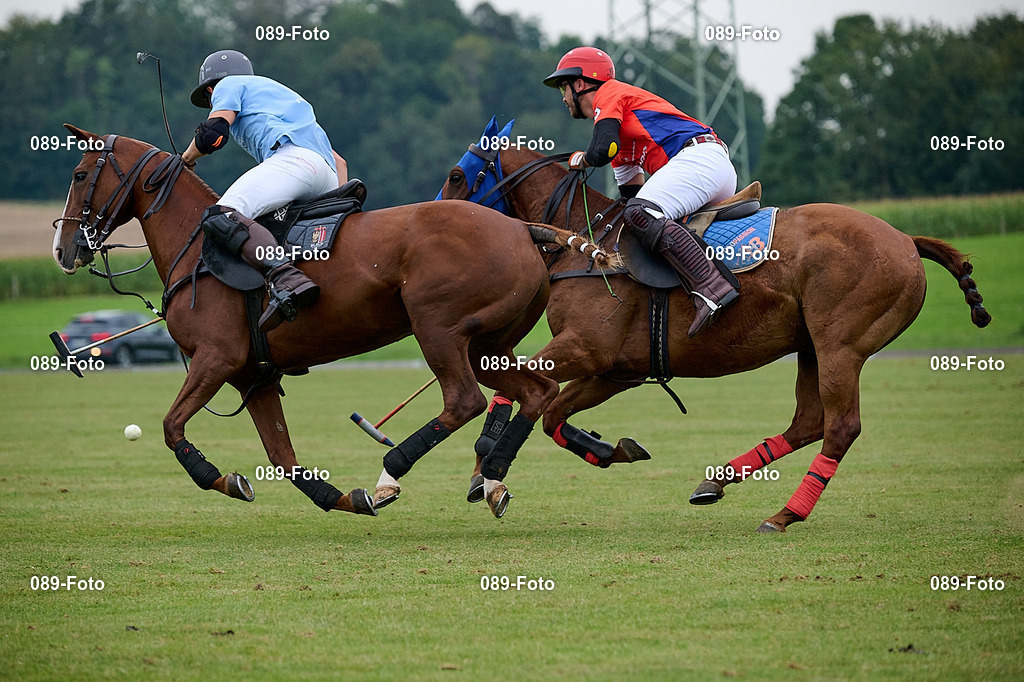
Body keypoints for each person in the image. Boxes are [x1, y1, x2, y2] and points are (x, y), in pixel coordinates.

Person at [543, 46, 740, 337]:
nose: (564, 97)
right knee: (637, 216)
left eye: (564, 87)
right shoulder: (621, 133)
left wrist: (580, 160)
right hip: (708, 167)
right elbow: (628, 194)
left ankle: (713, 287)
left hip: (700, 161)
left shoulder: (609, 94)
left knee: (642, 212)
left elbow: (601, 149)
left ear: (580, 84)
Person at [182, 49, 349, 332]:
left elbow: (214, 133)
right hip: (327, 173)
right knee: (266, 226)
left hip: (295, 160)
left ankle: (286, 280)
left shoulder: (227, 85)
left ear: (211, 89)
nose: (212, 101)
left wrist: (185, 159)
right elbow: (339, 161)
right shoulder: (279, 96)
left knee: (221, 215)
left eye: (209, 99)